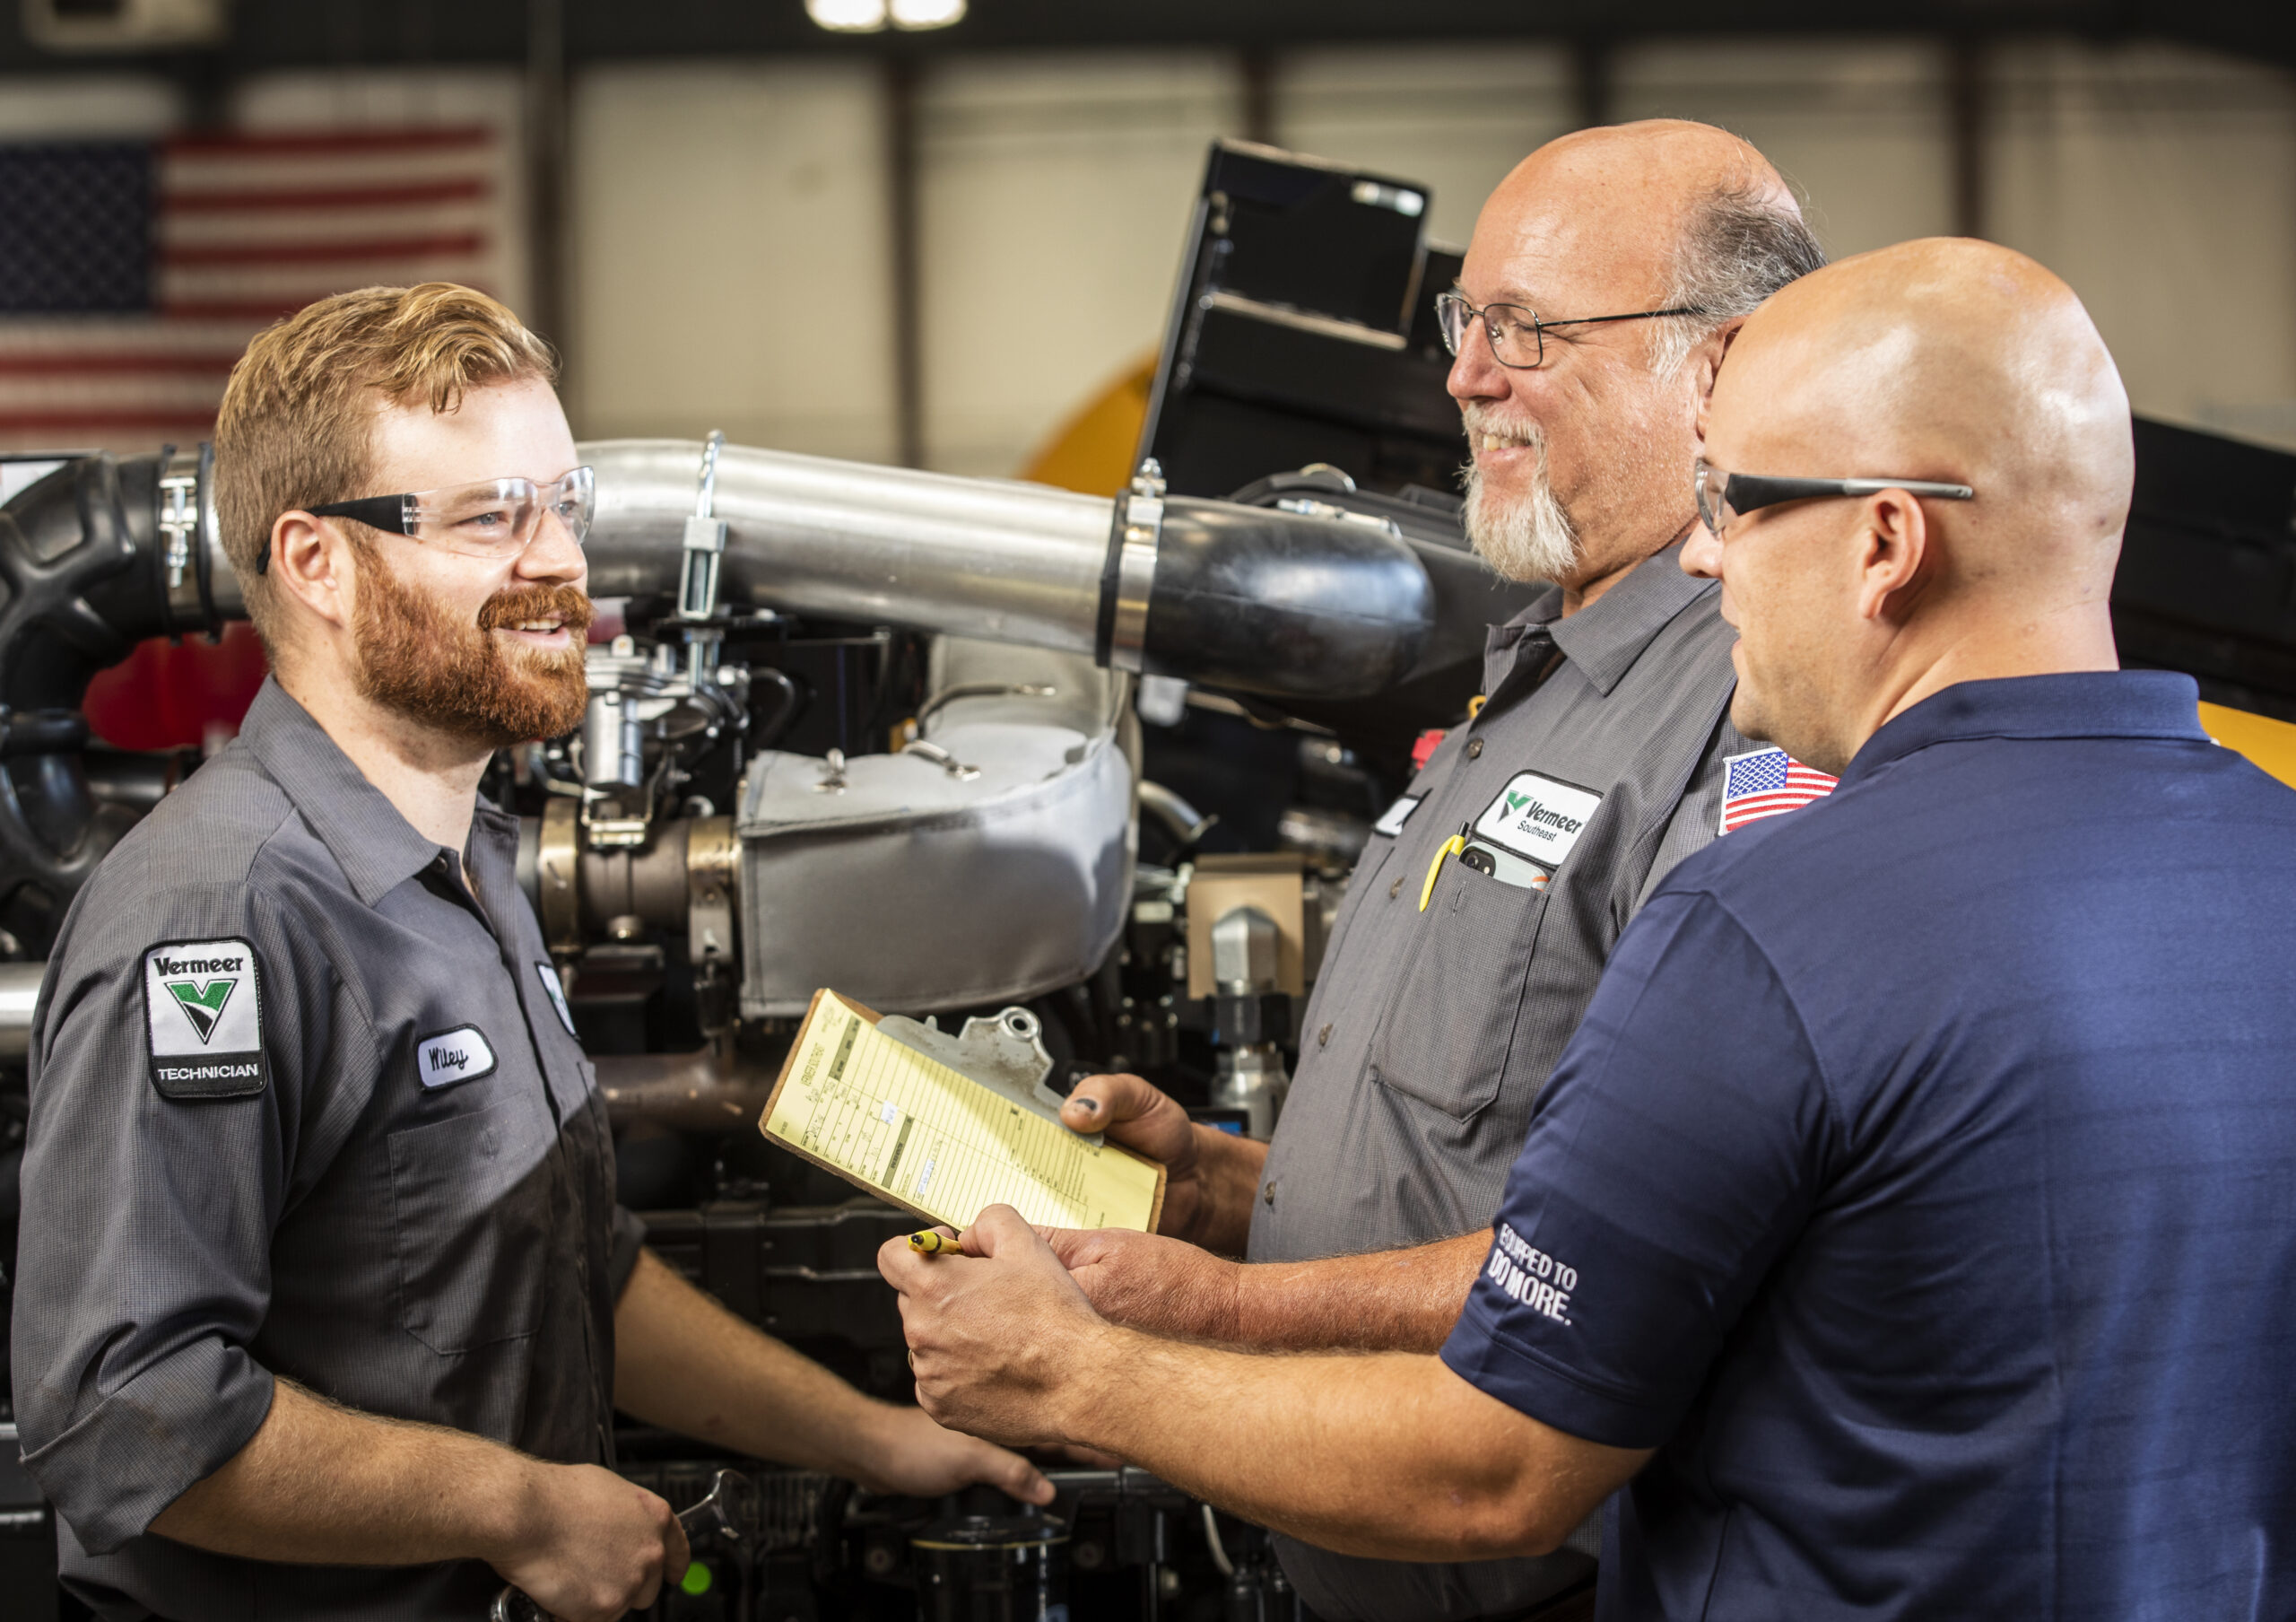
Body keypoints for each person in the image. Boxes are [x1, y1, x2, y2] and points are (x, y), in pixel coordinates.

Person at [882, 237, 2296, 1619]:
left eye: (1737, 505)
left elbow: (1496, 1473)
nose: (1703, 561)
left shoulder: (1767, 927)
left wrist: (1078, 1373)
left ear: (1885, 543)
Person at [11, 283, 1049, 1622]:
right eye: (493, 515)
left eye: (565, 504)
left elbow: (577, 1269)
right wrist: (523, 1508)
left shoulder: (473, 858)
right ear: (317, 562)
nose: (561, 558)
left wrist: (873, 1439)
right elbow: (125, 1415)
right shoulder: (220, 915)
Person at [1036, 120, 1823, 1621]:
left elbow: (1638, 1258)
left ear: (1718, 367)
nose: (1466, 375)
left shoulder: (1742, 710)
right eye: (1470, 323)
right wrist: (1221, 1188)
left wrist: (1221, 1312)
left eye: (1527, 329)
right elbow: (1485, 1168)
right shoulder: (1525, 675)